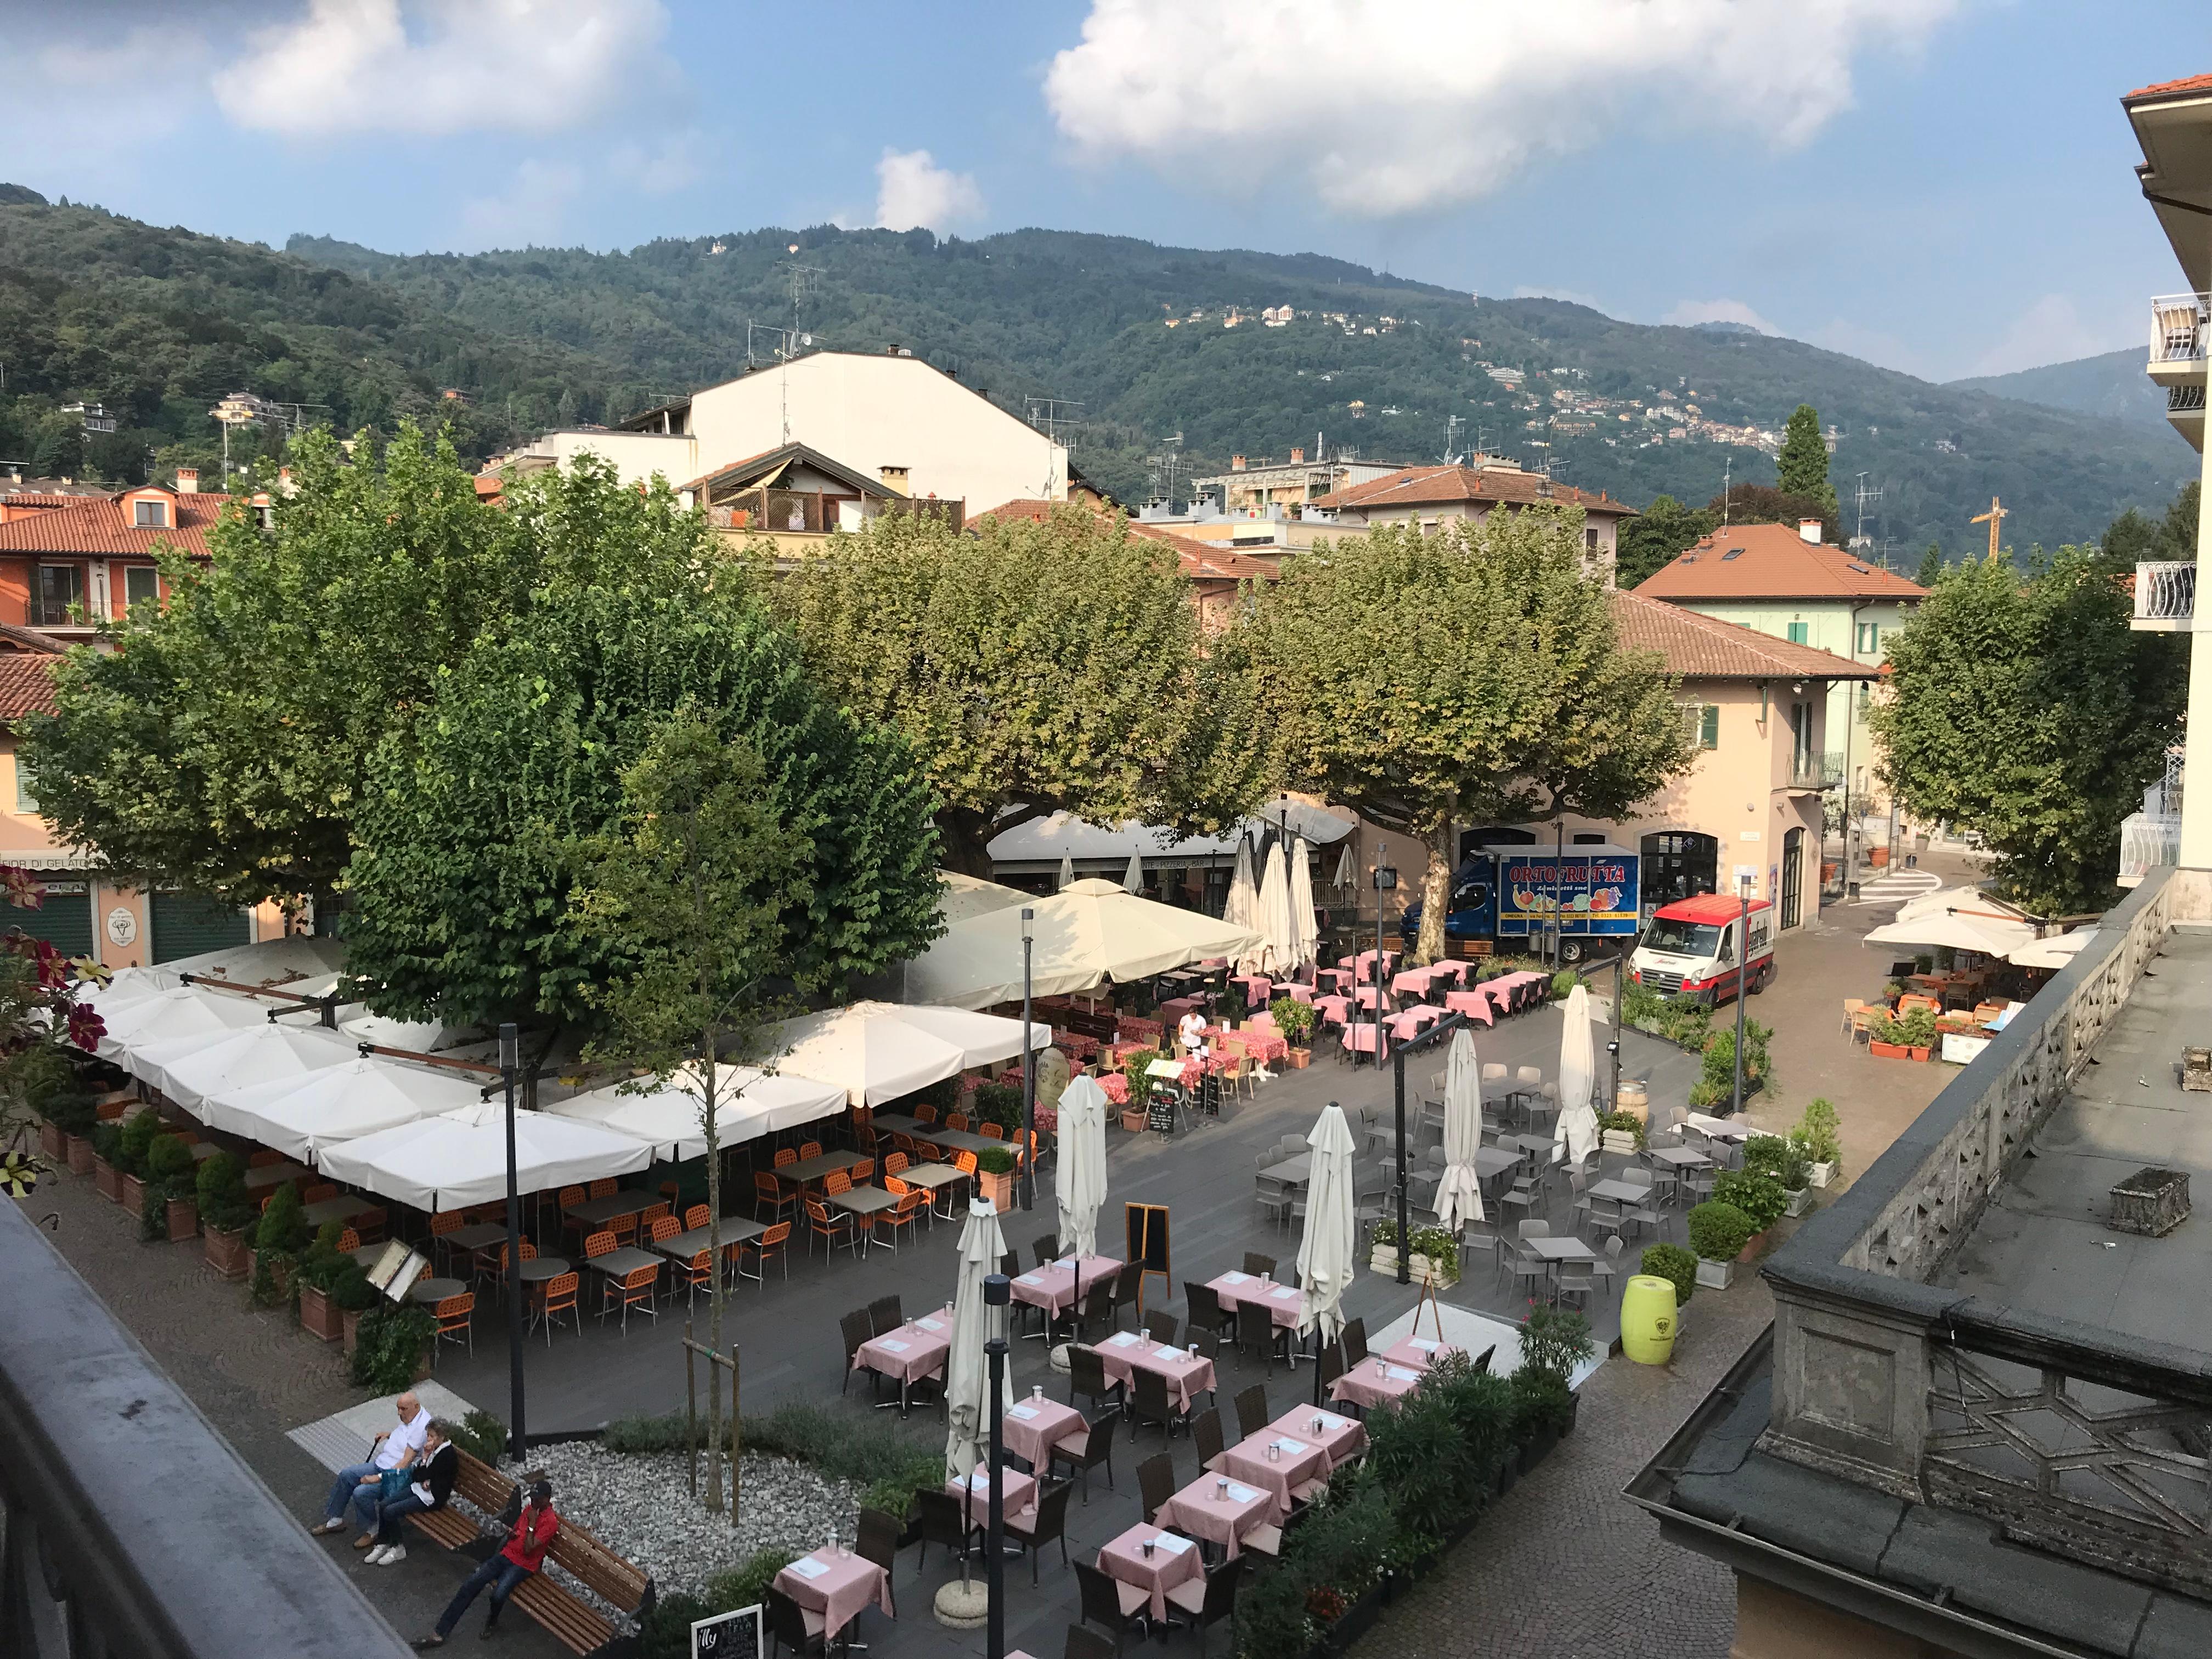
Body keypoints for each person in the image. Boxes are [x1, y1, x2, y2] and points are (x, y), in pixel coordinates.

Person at [413, 1479, 558, 1647]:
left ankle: (493, 1620)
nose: (533, 1502)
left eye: (538, 1499)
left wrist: (532, 1525)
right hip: (507, 1555)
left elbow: (528, 1550)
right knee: (471, 1584)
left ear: (547, 1499)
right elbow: (518, 1532)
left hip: (523, 1565)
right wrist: (512, 1533)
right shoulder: (529, 1510)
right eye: (532, 1499)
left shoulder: (550, 1522)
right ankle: (440, 1632)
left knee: (498, 1595)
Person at [311, 1391, 427, 1548]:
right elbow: (405, 1436)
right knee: (346, 1475)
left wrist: (378, 1478)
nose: (399, 1413)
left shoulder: (421, 1427)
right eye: (398, 1408)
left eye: (403, 1409)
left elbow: (404, 1463)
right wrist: (390, 1435)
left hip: (394, 1478)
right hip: (381, 1464)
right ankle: (335, 1520)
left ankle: (373, 1529)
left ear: (416, 1406)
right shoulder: (412, 1416)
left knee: (361, 1493)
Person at [368, 1418, 455, 1566]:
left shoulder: (446, 1455)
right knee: (383, 1505)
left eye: (432, 1436)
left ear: (442, 1437)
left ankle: (398, 1547)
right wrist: (425, 1469)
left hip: (432, 1497)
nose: (429, 1439)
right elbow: (418, 1475)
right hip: (419, 1489)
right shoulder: (434, 1450)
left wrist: (425, 1462)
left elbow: (423, 1475)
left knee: (390, 1511)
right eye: (428, 1435)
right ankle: (383, 1542)